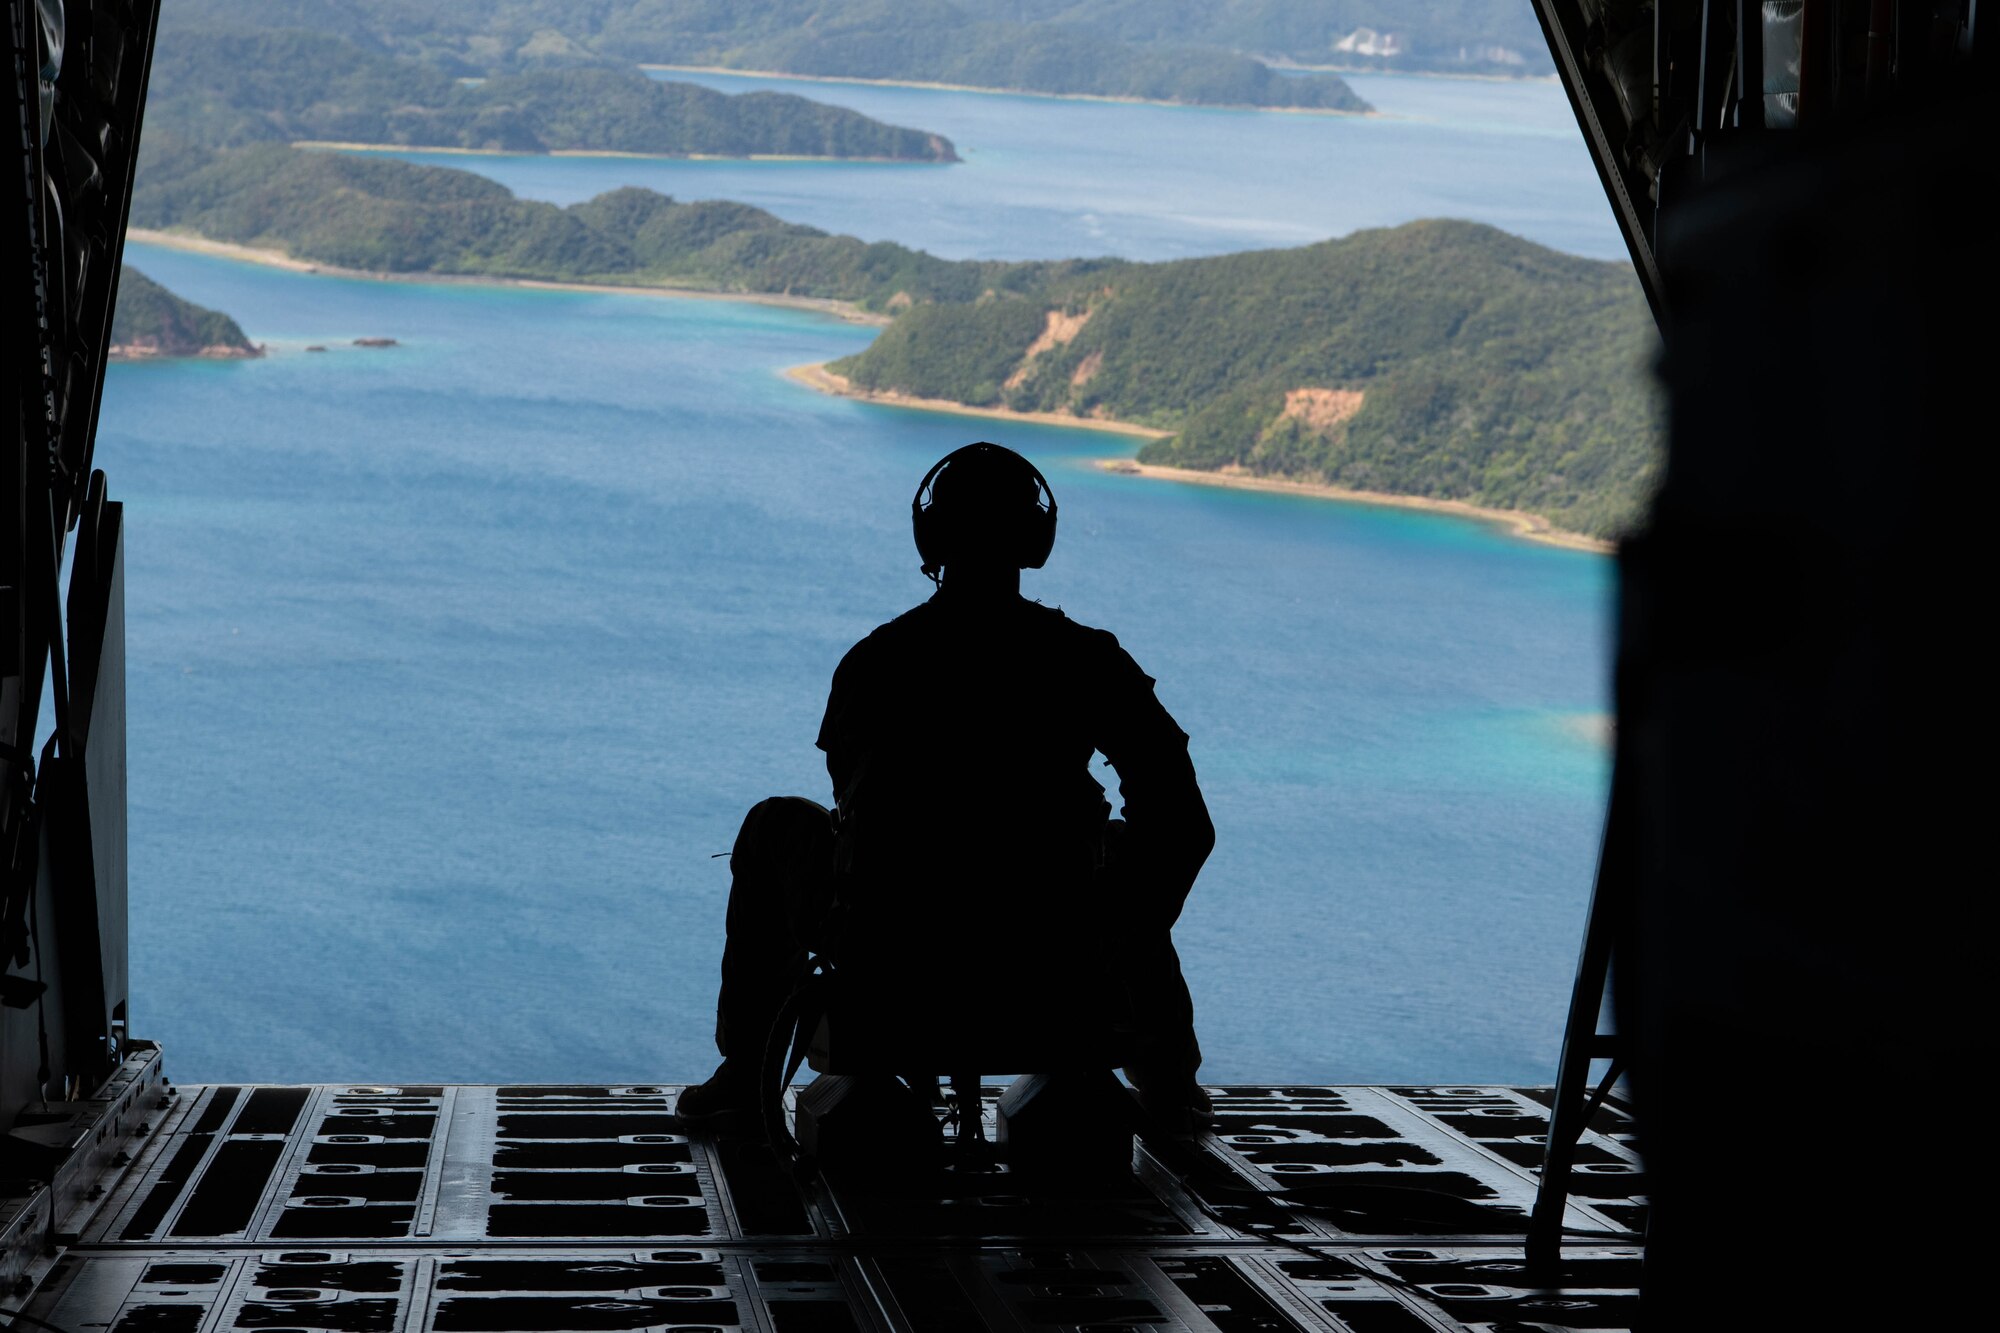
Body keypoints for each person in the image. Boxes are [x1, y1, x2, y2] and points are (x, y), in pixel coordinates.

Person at [677, 442, 1214, 1130]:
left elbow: (853, 809)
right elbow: (1183, 824)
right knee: (1120, 847)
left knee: (775, 822)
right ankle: (1170, 1084)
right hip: (1055, 963)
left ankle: (743, 1072)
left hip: (892, 967)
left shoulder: (875, 661)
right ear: (1035, 538)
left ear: (931, 535)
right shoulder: (1089, 661)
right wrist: (1111, 938)